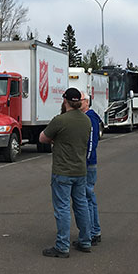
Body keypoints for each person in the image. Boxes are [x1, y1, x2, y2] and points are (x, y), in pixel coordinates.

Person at [39, 87, 92, 258]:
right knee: (82, 205)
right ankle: (85, 240)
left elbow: (43, 138)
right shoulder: (86, 120)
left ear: (65, 101)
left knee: (62, 208)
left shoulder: (60, 120)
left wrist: (56, 139)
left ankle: (62, 245)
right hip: (80, 170)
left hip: (63, 170)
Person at [81, 94, 103, 245]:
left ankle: (94, 232)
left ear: (87, 102)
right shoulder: (86, 117)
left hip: (88, 164)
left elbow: (91, 143)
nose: (78, 102)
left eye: (81, 100)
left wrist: (86, 161)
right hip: (86, 163)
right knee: (87, 197)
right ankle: (92, 231)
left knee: (87, 196)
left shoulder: (90, 118)